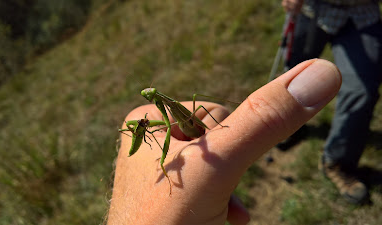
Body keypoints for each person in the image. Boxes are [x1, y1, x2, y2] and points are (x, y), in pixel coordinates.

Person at [107, 59, 341, 225]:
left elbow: (172, 127)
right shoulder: (162, 109)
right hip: (188, 129)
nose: (148, 96)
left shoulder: (169, 107)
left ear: (155, 95)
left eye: (150, 94)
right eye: (147, 95)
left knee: (196, 105)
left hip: (192, 125)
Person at [281, 0, 382, 204]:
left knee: (362, 91)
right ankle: (288, 126)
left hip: (362, 14)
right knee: (292, 77)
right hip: (310, 9)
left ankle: (338, 162)